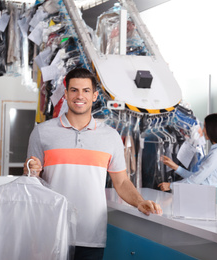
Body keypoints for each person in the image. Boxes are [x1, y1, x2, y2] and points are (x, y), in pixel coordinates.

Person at [23, 68, 162, 260]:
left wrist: (140, 202)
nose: (80, 96)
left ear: (95, 95)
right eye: (74, 90)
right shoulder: (42, 132)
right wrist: (30, 171)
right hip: (50, 233)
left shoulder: (111, 136)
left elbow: (121, 182)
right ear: (66, 94)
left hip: (91, 236)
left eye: (86, 90)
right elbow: (32, 180)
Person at [158, 113, 217, 205]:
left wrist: (171, 186)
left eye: (205, 126)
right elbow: (196, 176)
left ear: (213, 129)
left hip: (211, 202)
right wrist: (175, 167)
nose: (203, 130)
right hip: (208, 199)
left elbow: (196, 179)